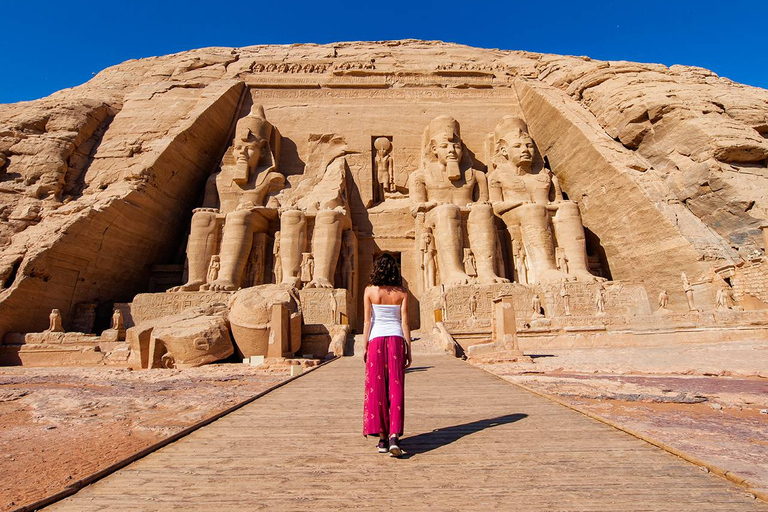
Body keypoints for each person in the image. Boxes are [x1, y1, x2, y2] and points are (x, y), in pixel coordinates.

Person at [362, 253, 412, 457]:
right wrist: (409, 348)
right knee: (396, 387)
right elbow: (405, 323)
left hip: (376, 340)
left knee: (376, 388)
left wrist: (365, 345)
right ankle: (393, 436)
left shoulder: (369, 291)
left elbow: (367, 322)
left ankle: (382, 439)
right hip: (396, 339)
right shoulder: (402, 293)